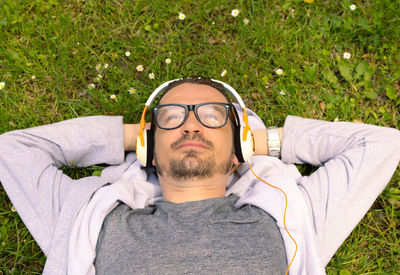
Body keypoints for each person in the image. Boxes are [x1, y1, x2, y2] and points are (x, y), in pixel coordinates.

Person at [0, 77, 399, 275]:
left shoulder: (293, 215)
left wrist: (262, 142)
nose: (191, 127)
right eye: (172, 118)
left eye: (211, 116)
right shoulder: (90, 219)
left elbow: (380, 144)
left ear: (238, 150)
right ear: (147, 150)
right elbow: (13, 150)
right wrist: (131, 137)